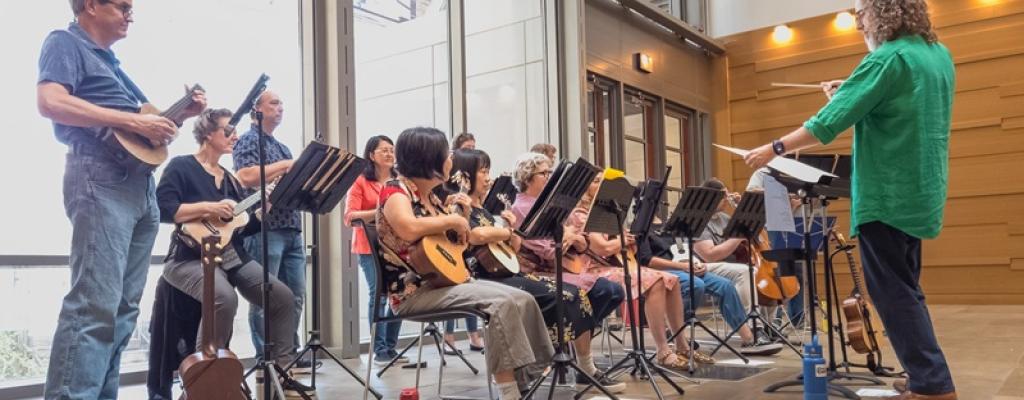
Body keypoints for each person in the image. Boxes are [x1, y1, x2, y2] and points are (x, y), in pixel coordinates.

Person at [743, 1, 956, 398]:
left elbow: (826, 124)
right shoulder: (936, 55)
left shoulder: (886, 59)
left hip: (887, 193)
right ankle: (923, 372)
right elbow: (895, 105)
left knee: (891, 293)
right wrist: (850, 92)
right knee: (906, 288)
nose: (860, 21)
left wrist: (773, 148)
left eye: (862, 14)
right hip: (921, 190)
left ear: (881, 12)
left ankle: (933, 385)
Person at [37, 1, 206, 397]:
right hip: (101, 178)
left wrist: (181, 115)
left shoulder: (113, 66)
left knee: (123, 311)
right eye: (123, 5)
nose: (131, 13)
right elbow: (50, 102)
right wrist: (131, 119)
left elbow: (142, 134)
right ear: (91, 5)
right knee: (94, 305)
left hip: (139, 187)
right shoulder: (64, 42)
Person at [376, 127, 553, 400]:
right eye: (445, 153)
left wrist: (465, 218)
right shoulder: (395, 190)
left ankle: (529, 376)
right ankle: (510, 393)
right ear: (428, 158)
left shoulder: (434, 198)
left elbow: (457, 248)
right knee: (501, 303)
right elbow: (409, 228)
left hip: (444, 281)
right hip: (413, 293)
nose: (451, 160)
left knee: (523, 298)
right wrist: (453, 220)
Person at [156, 108, 314, 397]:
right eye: (228, 131)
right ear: (207, 133)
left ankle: (281, 372)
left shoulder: (230, 180)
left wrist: (262, 211)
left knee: (282, 297)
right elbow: (164, 209)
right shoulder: (181, 166)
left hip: (230, 257)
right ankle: (204, 382)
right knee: (223, 297)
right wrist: (209, 207)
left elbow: (240, 227)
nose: (235, 136)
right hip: (187, 259)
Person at [442, 149, 624, 393]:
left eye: (487, 171)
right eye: (483, 171)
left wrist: (511, 228)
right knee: (569, 295)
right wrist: (507, 232)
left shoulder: (484, 210)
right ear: (465, 176)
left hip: (506, 272)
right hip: (485, 277)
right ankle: (544, 363)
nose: (488, 178)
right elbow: (475, 236)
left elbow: (514, 246)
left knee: (576, 294)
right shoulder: (460, 206)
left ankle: (584, 367)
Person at [568, 175, 709, 368]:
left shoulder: (605, 213)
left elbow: (617, 245)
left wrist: (625, 240)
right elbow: (603, 248)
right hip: (592, 269)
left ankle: (682, 345)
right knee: (655, 281)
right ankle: (662, 350)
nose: (600, 184)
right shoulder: (581, 214)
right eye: (594, 181)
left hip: (612, 265)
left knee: (672, 280)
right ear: (584, 188)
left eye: (602, 180)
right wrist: (624, 241)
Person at [510, 153, 628, 383]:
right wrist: (569, 237)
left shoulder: (551, 204)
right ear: (527, 178)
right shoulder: (521, 208)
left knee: (612, 292)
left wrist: (572, 237)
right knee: (597, 292)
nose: (549, 177)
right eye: (544, 173)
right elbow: (548, 249)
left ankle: (566, 340)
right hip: (542, 270)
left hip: (566, 266)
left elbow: (582, 242)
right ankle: (584, 364)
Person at [232, 90, 312, 372]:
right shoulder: (247, 141)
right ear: (257, 109)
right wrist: (289, 166)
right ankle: (266, 358)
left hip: (291, 226)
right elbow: (247, 176)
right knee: (265, 297)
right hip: (265, 229)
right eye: (274, 103)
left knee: (296, 296)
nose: (280, 108)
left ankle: (287, 354)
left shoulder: (282, 146)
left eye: (282, 103)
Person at [638, 232, 781, 355]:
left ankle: (749, 339)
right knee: (696, 285)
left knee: (725, 285)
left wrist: (694, 263)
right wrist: (682, 266)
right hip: (666, 271)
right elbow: (647, 260)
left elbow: (682, 250)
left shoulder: (669, 227)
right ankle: (677, 333)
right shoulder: (642, 229)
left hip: (686, 267)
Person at [343, 135, 409, 365]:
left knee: (400, 293)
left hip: (395, 246)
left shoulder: (398, 182)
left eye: (392, 150)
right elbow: (349, 217)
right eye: (384, 150)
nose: (390, 154)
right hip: (368, 246)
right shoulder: (360, 180)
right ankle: (379, 350)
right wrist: (381, 210)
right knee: (378, 294)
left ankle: (390, 347)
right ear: (372, 155)